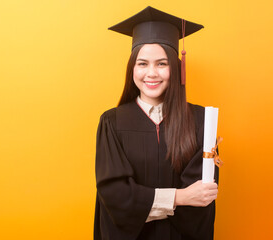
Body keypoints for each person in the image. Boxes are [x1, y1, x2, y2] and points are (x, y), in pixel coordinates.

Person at [94, 6, 219, 240]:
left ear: (176, 67)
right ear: (132, 68)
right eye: (142, 64)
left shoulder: (201, 121)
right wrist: (178, 198)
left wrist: (145, 202)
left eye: (162, 64)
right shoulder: (111, 122)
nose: (151, 73)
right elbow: (116, 198)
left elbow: (201, 199)